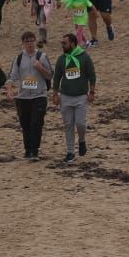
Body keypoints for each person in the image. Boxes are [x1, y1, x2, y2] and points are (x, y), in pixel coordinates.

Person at [7, 32, 52, 160]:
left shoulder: (42, 56)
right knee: (25, 124)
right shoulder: (19, 58)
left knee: (36, 123)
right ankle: (28, 150)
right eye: (27, 41)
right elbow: (12, 77)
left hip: (39, 95)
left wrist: (40, 67)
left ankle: (35, 151)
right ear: (23, 43)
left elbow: (50, 75)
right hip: (23, 97)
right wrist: (9, 90)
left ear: (35, 41)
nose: (30, 44)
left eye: (32, 41)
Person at [51, 33, 95, 164]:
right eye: (61, 43)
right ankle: (70, 152)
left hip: (81, 96)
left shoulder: (84, 57)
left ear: (73, 43)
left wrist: (92, 92)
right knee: (68, 125)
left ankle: (82, 140)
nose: (62, 45)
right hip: (65, 97)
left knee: (80, 124)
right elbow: (57, 77)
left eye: (64, 43)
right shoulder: (61, 59)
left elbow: (92, 75)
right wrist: (55, 94)